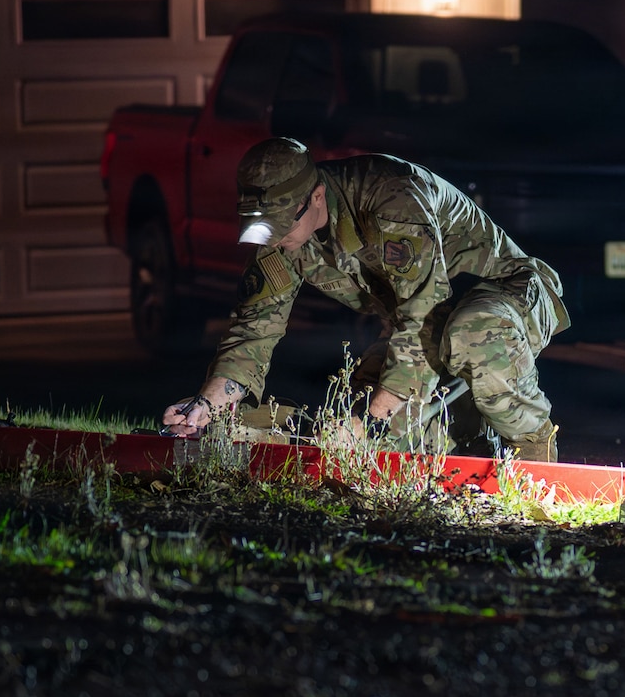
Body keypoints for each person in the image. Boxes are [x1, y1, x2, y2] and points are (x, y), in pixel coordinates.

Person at [160, 137, 567, 460]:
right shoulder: (281, 238)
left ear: (316, 197)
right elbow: (253, 329)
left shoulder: (391, 199)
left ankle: (535, 450)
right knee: (354, 433)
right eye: (263, 228)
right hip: (425, 324)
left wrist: (375, 419)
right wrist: (207, 405)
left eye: (281, 226)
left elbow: (424, 311)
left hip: (503, 297)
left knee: (463, 340)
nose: (274, 238)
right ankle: (468, 447)